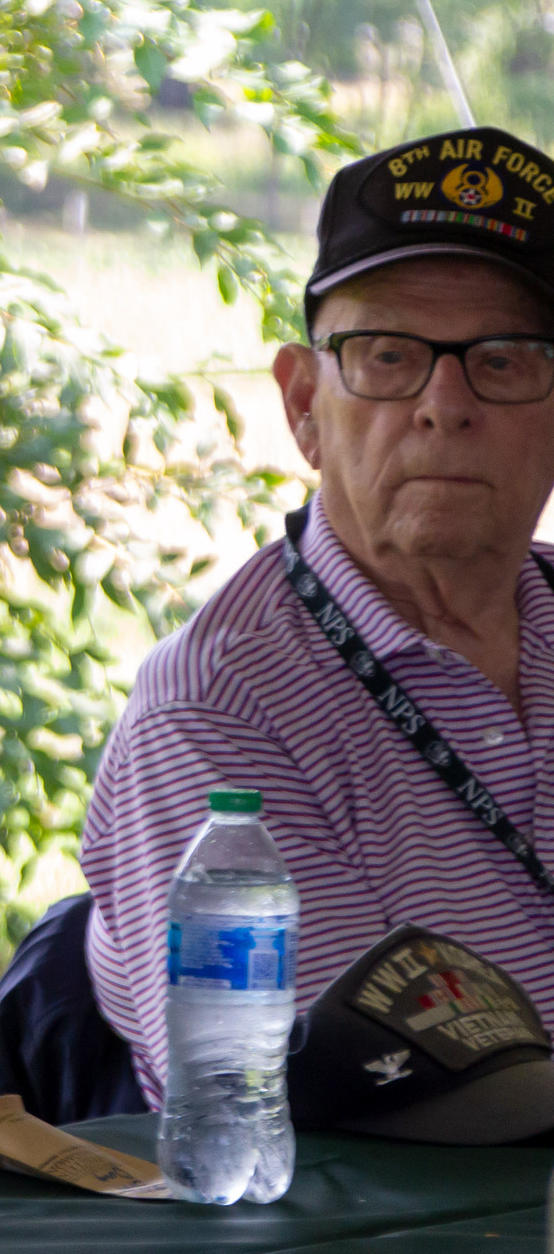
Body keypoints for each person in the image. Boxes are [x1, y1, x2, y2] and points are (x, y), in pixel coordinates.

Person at [83, 126, 554, 1103]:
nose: (444, 404)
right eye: (388, 356)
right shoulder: (220, 710)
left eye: (504, 360)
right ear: (303, 405)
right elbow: (345, 1108)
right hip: (413, 1248)